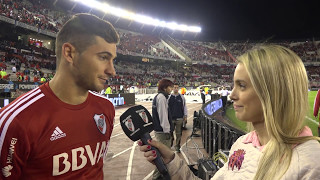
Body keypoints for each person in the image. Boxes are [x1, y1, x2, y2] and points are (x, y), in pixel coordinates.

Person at [139, 45, 320, 179]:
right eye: (233, 85)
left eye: (242, 85)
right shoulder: (241, 144)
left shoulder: (311, 161)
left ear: (273, 91)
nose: (232, 95)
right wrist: (171, 160)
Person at [0, 13, 119, 179]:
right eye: (103, 57)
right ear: (69, 53)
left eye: (112, 60)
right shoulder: (16, 122)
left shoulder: (106, 108)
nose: (112, 70)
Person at [151, 78, 174, 180]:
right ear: (165, 87)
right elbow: (163, 117)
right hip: (162, 132)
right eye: (170, 87)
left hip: (160, 131)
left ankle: (160, 176)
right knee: (164, 157)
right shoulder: (162, 98)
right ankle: (156, 177)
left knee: (163, 157)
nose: (171, 89)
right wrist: (167, 131)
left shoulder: (159, 97)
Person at [168, 84, 187, 153]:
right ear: (172, 88)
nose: (176, 89)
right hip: (171, 118)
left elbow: (184, 107)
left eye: (177, 88)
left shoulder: (182, 97)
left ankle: (177, 147)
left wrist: (185, 116)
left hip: (179, 118)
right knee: (170, 133)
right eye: (174, 87)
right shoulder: (169, 97)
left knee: (179, 133)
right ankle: (170, 144)